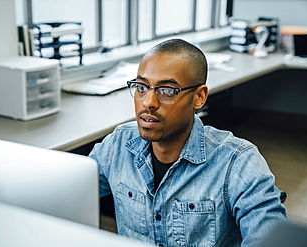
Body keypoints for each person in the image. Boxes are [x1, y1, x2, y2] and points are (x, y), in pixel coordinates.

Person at [89, 38, 287, 247]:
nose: (148, 102)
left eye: (167, 91)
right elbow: (72, 192)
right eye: (142, 87)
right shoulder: (117, 145)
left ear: (199, 97)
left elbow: (273, 240)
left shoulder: (238, 163)